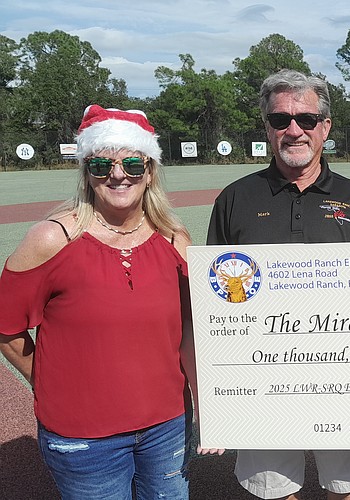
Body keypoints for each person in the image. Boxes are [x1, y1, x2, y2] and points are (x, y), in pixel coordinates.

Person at [0, 105, 206, 499]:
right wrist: (46, 381)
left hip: (168, 427)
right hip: (83, 437)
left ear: (149, 171)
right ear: (86, 172)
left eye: (132, 163)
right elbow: (6, 327)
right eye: (101, 166)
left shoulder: (175, 238)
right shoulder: (51, 239)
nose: (117, 175)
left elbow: (190, 328)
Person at [206, 69, 350, 500]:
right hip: (262, 367)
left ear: (324, 126)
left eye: (306, 119)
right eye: (280, 119)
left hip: (344, 369)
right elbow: (216, 294)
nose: (293, 130)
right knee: (273, 487)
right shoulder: (235, 198)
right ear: (267, 127)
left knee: (346, 485)